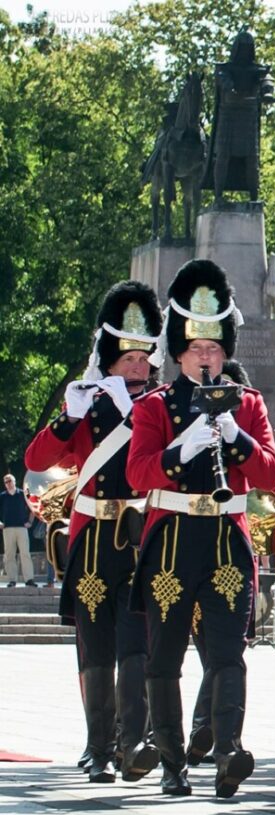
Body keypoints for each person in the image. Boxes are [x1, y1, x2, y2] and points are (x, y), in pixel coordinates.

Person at [125, 258, 275, 798]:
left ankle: (228, 751)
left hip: (226, 537)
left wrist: (234, 435)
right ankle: (172, 761)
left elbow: (271, 472)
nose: (207, 358)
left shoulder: (249, 403)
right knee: (165, 653)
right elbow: (138, 473)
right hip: (171, 538)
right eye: (197, 350)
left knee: (228, 652)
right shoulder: (154, 407)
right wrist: (181, 448)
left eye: (215, 349)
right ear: (178, 353)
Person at [23, 280, 161, 784]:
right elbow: (37, 460)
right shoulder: (89, 403)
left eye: (144, 358)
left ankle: (134, 740)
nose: (138, 367)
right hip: (93, 538)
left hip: (142, 533)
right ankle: (98, 743)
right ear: (108, 361)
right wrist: (69, 417)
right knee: (95, 643)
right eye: (128, 360)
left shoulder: (162, 405)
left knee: (136, 643)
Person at [1, 474, 34, 586]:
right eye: (6, 482)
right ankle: (12, 580)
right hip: (7, 528)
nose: (8, 483)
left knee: (25, 554)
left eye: (10, 481)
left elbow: (33, 505)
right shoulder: (2, 496)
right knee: (9, 555)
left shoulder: (24, 493)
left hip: (22, 528)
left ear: (14, 481)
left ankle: (29, 580)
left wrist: (30, 521)